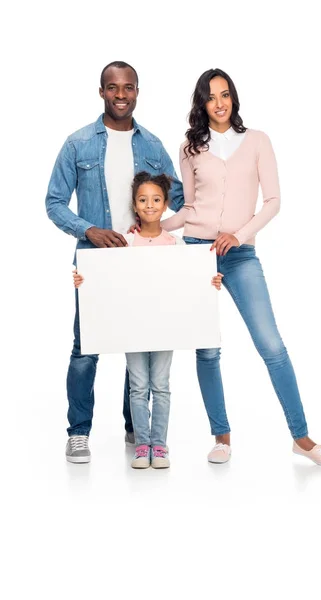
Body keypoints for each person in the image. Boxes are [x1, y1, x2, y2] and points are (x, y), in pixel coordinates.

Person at [161, 68, 321, 467]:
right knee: (208, 350)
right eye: (211, 97)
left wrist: (238, 236)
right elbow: (189, 208)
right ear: (201, 103)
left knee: (272, 346)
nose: (220, 103)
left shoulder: (258, 141)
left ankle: (302, 437)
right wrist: (155, 226)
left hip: (240, 254)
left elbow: (273, 201)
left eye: (225, 94)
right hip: (197, 251)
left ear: (234, 98)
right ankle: (221, 437)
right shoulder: (190, 148)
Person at [45, 61, 184, 464]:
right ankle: (78, 432)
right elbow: (54, 202)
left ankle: (136, 429)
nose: (120, 95)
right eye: (112, 87)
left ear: (137, 91)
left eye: (128, 88)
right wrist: (88, 230)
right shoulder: (78, 143)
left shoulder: (153, 145)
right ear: (101, 91)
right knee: (86, 348)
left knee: (137, 340)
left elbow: (174, 200)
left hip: (144, 260)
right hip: (95, 261)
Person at [73, 171, 223, 468]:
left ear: (166, 203)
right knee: (139, 386)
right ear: (135, 204)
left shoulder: (176, 245)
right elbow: (108, 280)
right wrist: (85, 281)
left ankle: (160, 445)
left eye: (156, 199)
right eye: (143, 200)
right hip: (133, 327)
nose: (150, 205)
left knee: (161, 385)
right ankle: (142, 445)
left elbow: (189, 281)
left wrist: (210, 280)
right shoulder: (125, 242)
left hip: (165, 327)